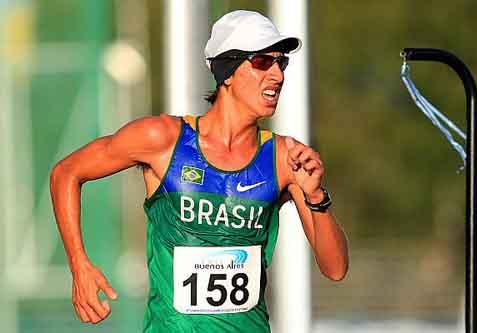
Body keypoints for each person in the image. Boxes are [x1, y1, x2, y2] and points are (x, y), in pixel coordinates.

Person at [50, 10, 348, 333]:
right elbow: (66, 173)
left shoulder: (284, 158)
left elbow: (335, 268)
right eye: (263, 61)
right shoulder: (163, 139)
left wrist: (317, 196)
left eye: (282, 62)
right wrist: (79, 264)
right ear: (228, 71)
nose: (277, 75)